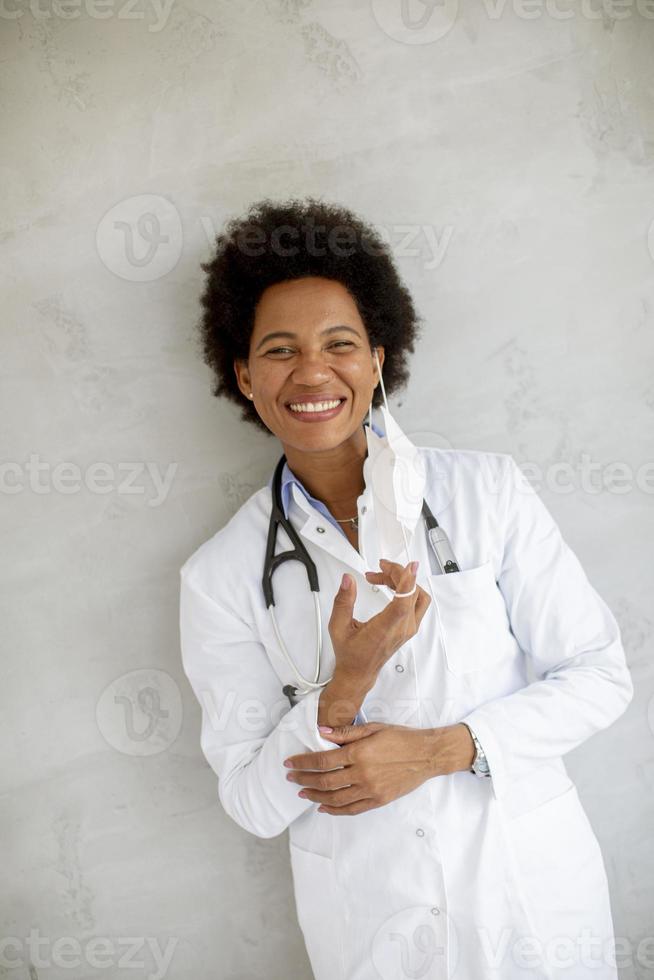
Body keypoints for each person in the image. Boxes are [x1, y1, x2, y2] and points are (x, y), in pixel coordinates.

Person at [179, 197, 634, 980]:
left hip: (530, 903)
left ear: (380, 359)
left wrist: (444, 751)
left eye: (340, 344)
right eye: (280, 350)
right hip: (375, 928)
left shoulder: (486, 493)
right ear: (245, 376)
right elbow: (253, 803)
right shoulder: (221, 576)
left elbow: (599, 676)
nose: (313, 372)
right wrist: (342, 688)